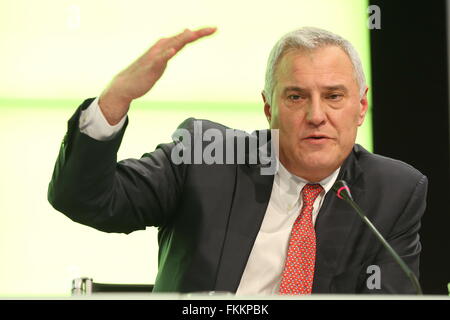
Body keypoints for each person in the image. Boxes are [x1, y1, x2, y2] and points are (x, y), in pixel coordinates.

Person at [48, 26, 428, 295]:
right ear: (268, 107)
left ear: (360, 107)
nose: (316, 115)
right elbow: (84, 200)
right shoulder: (206, 157)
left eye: (333, 96)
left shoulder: (393, 190)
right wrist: (116, 99)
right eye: (296, 97)